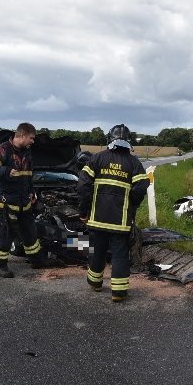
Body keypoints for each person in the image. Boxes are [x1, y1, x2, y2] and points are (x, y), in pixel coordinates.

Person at [78, 124, 149, 302]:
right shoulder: (133, 162)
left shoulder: (97, 158)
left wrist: (83, 210)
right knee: (119, 255)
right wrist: (131, 205)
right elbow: (141, 187)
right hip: (120, 220)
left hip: (97, 219)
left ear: (109, 139)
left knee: (97, 251)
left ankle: (95, 283)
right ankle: (119, 292)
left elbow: (83, 186)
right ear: (128, 142)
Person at [0, 122, 44, 278]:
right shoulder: (2, 150)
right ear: (22, 135)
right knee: (5, 235)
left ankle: (36, 260)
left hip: (24, 202)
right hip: (6, 203)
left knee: (30, 232)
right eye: (31, 138)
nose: (33, 141)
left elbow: (28, 175)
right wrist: (5, 170)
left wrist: (32, 192)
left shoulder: (27, 152)